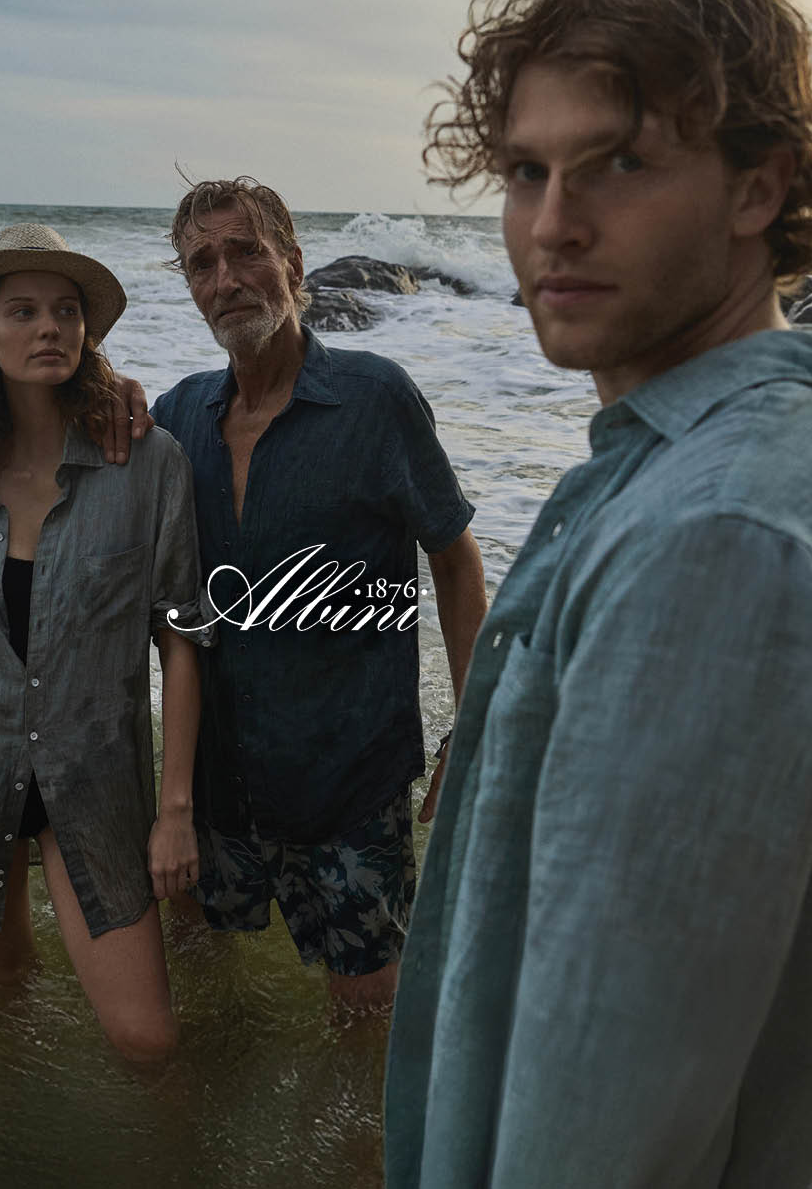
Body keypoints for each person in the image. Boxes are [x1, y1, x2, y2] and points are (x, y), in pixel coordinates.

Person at [385, 0, 812, 1186]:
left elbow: (601, 1121)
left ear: (757, 190)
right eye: (526, 173)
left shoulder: (716, 537)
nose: (552, 226)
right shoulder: (707, 463)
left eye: (620, 164)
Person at [150, 177, 488, 1010]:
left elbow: (454, 561)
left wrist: (474, 729)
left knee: (366, 1013)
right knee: (205, 990)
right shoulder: (178, 418)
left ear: (293, 264)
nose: (225, 279)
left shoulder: (375, 399)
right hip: (220, 786)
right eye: (201, 264)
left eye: (246, 253)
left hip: (350, 783)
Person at [0, 223, 207, 1061]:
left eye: (66, 310)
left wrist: (174, 813)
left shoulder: (148, 465)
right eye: (23, 311)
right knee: (2, 999)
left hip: (91, 780)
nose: (50, 328)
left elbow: (182, 638)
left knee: (146, 1042)